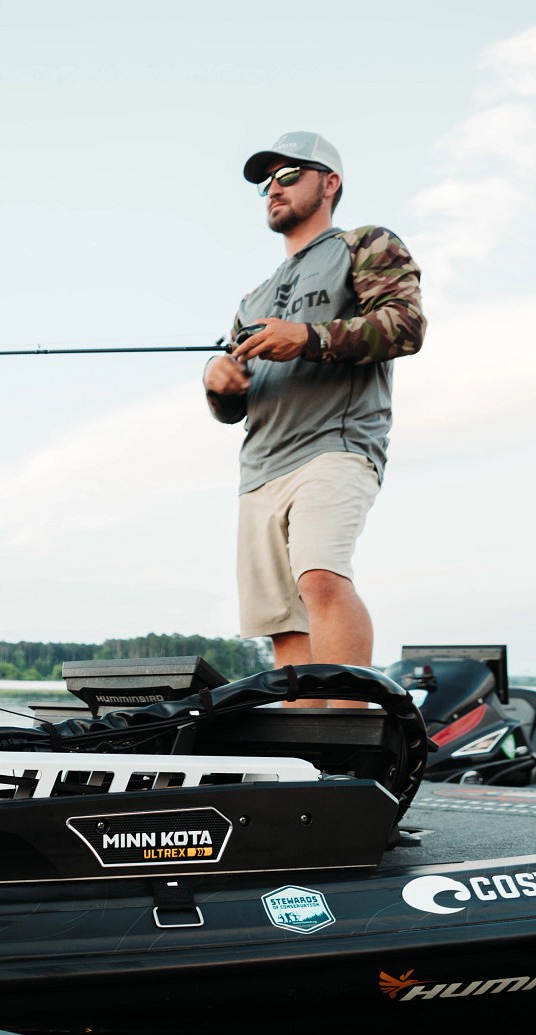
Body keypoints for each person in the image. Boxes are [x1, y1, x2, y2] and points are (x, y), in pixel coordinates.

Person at [203, 131, 425, 698]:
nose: (273, 188)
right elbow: (232, 405)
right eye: (265, 183)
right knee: (283, 621)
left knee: (321, 578)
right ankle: (307, 738)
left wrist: (306, 337)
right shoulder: (251, 300)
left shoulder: (364, 244)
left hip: (335, 446)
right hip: (259, 470)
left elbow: (405, 326)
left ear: (330, 182)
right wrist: (218, 383)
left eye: (287, 175)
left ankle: (352, 729)